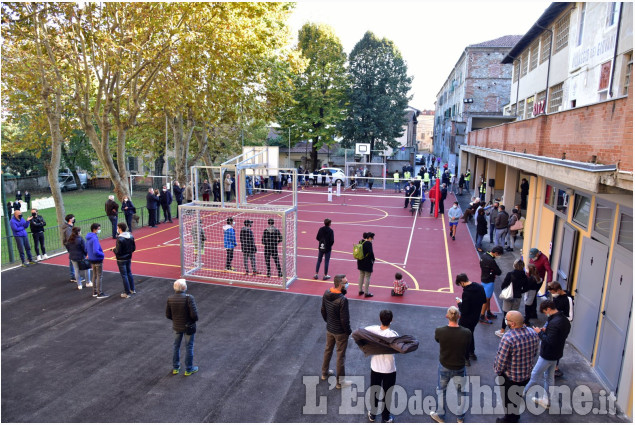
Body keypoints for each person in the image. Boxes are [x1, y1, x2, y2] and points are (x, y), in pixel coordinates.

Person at [493, 311, 540, 423]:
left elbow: (501, 360)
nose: (506, 321)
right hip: (526, 375)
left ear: (512, 324)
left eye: (507, 319)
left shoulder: (508, 338)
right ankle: (515, 415)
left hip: (511, 377)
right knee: (517, 397)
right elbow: (534, 353)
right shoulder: (533, 333)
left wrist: (498, 371)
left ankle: (509, 419)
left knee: (508, 400)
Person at [524, 300, 571, 409]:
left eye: (545, 312)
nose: (546, 314)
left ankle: (520, 393)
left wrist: (539, 332)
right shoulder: (563, 320)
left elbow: (549, 340)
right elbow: (560, 336)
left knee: (535, 374)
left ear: (548, 309)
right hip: (557, 353)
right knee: (549, 377)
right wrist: (546, 330)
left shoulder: (554, 322)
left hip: (548, 354)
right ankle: (546, 399)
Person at [430, 306, 471, 423]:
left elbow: (438, 340)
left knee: (441, 390)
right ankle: (460, 417)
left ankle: (441, 416)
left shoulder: (440, 331)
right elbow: (467, 346)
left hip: (445, 365)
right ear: (459, 316)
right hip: (459, 366)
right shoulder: (466, 333)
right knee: (461, 392)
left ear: (447, 316)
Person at [366, 310, 399, 423]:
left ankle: (373, 414)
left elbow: (360, 333)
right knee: (388, 393)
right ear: (391, 320)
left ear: (380, 319)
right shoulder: (394, 335)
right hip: (389, 369)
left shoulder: (372, 330)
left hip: (375, 367)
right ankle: (385, 417)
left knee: (374, 391)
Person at [321, 274, 352, 390]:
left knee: (328, 350)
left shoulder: (326, 293)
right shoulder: (343, 300)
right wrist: (348, 331)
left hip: (330, 328)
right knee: (340, 356)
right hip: (340, 332)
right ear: (340, 284)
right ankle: (340, 382)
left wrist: (328, 322)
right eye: (346, 282)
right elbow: (345, 319)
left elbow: (323, 310)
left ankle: (324, 373)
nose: (348, 284)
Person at [166, 279, 199, 376]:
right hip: (188, 327)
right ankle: (189, 369)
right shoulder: (189, 298)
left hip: (177, 326)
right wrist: (193, 321)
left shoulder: (170, 298)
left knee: (176, 346)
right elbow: (194, 315)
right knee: (189, 347)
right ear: (184, 287)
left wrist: (176, 320)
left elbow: (168, 315)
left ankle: (176, 367)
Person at [455, 273, 486, 366]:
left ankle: (466, 358)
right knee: (470, 333)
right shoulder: (480, 287)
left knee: (463, 337)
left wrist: (459, 303)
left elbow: (464, 310)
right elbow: (484, 300)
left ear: (462, 282)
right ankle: (472, 352)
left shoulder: (466, 293)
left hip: (466, 318)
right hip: (475, 317)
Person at [495, 259, 528, 338]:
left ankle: (502, 331)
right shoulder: (524, 275)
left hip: (509, 296)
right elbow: (526, 288)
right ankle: (512, 331)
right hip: (518, 296)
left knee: (506, 314)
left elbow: (504, 285)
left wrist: (505, 290)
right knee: (514, 315)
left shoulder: (510, 274)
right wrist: (520, 291)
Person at [479, 246, 504, 324]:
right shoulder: (491, 261)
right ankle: (482, 316)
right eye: (499, 254)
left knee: (487, 298)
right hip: (489, 281)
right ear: (496, 253)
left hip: (483, 278)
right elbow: (499, 272)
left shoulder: (484, 255)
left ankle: (488, 312)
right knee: (486, 299)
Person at [112, 222, 136, 298]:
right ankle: (132, 289)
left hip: (121, 259)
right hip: (128, 257)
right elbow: (133, 248)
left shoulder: (120, 238)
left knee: (124, 275)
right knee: (129, 273)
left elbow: (118, 251)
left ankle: (127, 292)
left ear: (120, 229)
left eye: (118, 228)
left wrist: (114, 250)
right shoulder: (131, 236)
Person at [86, 223, 107, 298]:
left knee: (94, 275)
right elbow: (95, 250)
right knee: (99, 276)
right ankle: (99, 293)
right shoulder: (94, 239)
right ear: (94, 229)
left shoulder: (88, 238)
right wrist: (102, 254)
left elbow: (87, 249)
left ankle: (94, 292)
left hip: (92, 259)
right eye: (98, 229)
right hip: (97, 259)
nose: (99, 230)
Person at [356, 232, 375, 298]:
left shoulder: (361, 241)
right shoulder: (369, 243)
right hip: (367, 262)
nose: (372, 239)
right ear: (369, 238)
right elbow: (371, 253)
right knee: (367, 276)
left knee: (361, 275)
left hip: (360, 261)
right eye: (372, 238)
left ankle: (360, 290)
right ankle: (366, 292)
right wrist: (373, 259)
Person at [63, 214, 80, 282]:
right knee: (72, 260)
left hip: (70, 245)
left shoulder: (70, 227)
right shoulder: (68, 229)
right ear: (70, 219)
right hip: (70, 245)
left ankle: (73, 275)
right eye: (73, 218)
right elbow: (69, 238)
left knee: (72, 260)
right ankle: (73, 276)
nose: (74, 219)